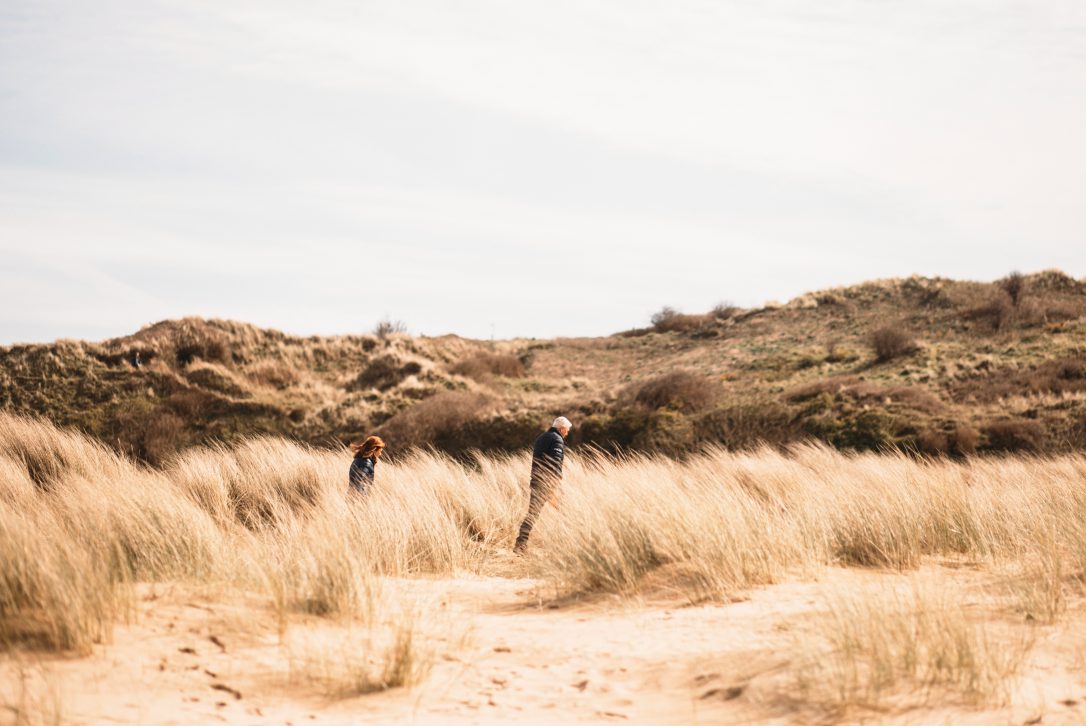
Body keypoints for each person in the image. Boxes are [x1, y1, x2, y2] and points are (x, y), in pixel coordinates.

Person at [514, 416, 572, 553]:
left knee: (532, 513)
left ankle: (520, 544)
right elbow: (555, 463)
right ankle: (564, 547)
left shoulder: (542, 437)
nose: (567, 433)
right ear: (562, 428)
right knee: (565, 511)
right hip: (548, 483)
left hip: (536, 480)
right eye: (567, 430)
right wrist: (556, 481)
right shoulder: (557, 440)